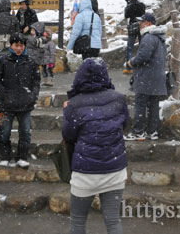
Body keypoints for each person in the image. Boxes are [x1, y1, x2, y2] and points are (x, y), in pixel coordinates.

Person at [62, 58, 128, 234]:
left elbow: (68, 135)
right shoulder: (119, 99)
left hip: (86, 173)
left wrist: (67, 112)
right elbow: (123, 125)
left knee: (78, 222)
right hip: (115, 170)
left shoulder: (74, 105)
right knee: (113, 221)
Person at [0, 33, 41, 168]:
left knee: (25, 132)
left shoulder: (31, 61)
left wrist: (32, 95)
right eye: (16, 45)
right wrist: (3, 94)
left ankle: (22, 157)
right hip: (6, 105)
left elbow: (36, 81)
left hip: (26, 104)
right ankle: (5, 156)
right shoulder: (2, 59)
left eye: (21, 45)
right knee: (4, 132)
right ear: (11, 45)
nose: (19, 48)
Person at [124, 13, 166, 141]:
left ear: (148, 23)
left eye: (142, 22)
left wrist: (131, 62)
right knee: (153, 105)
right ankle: (152, 131)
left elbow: (143, 56)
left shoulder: (148, 37)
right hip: (157, 76)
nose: (140, 24)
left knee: (140, 105)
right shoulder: (159, 37)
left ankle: (138, 132)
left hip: (146, 77)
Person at [123, 0, 146, 74]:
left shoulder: (129, 6)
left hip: (132, 27)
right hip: (141, 26)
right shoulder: (141, 5)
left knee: (130, 48)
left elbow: (126, 15)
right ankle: (141, 66)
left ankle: (129, 68)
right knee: (141, 47)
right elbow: (143, 13)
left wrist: (128, 4)